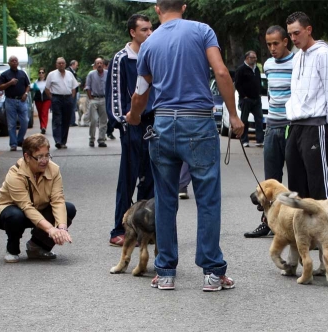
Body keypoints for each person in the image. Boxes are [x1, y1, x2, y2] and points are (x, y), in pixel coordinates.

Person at [126, 0, 244, 292]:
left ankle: (165, 272)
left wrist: (134, 116)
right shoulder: (202, 31)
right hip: (199, 123)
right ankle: (213, 273)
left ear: (157, 9)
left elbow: (142, 91)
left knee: (165, 200)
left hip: (163, 125)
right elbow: (221, 73)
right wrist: (233, 114)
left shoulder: (150, 43)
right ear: (184, 6)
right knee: (208, 199)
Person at [106, 13, 155, 247]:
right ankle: (119, 228)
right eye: (144, 30)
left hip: (153, 124)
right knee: (128, 178)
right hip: (132, 124)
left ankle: (146, 229)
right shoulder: (122, 59)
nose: (149, 33)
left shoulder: (155, 54)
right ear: (132, 32)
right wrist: (123, 121)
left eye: (151, 29)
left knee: (151, 179)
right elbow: (115, 94)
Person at [0, 133, 75, 263]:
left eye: (47, 155)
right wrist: (51, 229)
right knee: (15, 215)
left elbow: (58, 200)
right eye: (39, 156)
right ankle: (12, 248)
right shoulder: (15, 174)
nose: (45, 160)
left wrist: (61, 228)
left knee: (68, 208)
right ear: (27, 157)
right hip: (14, 212)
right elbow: (26, 207)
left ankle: (37, 246)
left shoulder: (54, 169)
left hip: (38, 209)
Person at [284, 11, 328, 200]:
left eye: (297, 33)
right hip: (296, 124)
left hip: (316, 124)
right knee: (296, 183)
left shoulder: (324, 55)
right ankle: (302, 228)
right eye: (290, 34)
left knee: (319, 184)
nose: (293, 38)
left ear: (308, 30)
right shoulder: (297, 56)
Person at [244, 25, 294, 238]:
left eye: (276, 43)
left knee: (296, 177)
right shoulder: (270, 65)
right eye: (268, 44)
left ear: (285, 41)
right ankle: (267, 222)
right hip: (272, 124)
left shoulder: (298, 62)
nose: (272, 48)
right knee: (270, 179)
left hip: (292, 125)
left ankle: (295, 223)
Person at [0, 55, 30, 152]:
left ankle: (20, 140)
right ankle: (13, 144)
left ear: (18, 62)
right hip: (10, 100)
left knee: (25, 121)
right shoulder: (4, 74)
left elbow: (28, 85)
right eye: (12, 61)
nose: (14, 62)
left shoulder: (22, 73)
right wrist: (10, 83)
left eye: (16, 60)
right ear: (9, 63)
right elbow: (0, 87)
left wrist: (26, 93)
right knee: (11, 124)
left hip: (22, 100)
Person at [45, 57, 79, 149]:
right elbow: (47, 89)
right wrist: (52, 99)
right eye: (59, 63)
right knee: (57, 119)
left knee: (66, 120)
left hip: (68, 98)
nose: (61, 65)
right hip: (57, 98)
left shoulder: (69, 74)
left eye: (62, 63)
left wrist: (71, 98)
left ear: (65, 64)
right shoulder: (51, 74)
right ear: (56, 65)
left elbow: (74, 87)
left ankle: (63, 141)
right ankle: (58, 140)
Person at [235, 50, 264, 147]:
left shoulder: (256, 69)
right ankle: (244, 140)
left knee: (259, 119)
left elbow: (259, 81)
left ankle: (260, 140)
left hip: (256, 99)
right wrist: (244, 96)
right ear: (247, 58)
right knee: (244, 120)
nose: (255, 59)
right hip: (246, 99)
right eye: (253, 58)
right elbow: (237, 84)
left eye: (255, 58)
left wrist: (259, 92)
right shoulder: (241, 69)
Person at [85, 57, 109, 148]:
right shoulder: (91, 74)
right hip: (94, 99)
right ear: (95, 65)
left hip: (104, 99)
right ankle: (91, 139)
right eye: (97, 63)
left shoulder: (107, 73)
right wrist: (91, 98)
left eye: (101, 63)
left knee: (103, 121)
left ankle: (101, 140)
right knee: (94, 120)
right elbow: (87, 87)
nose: (99, 65)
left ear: (103, 65)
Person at [31, 67, 51, 135]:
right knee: (40, 113)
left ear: (45, 74)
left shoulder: (48, 81)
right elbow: (33, 91)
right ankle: (42, 126)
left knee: (44, 112)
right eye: (40, 72)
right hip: (38, 99)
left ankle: (43, 127)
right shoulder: (36, 82)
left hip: (46, 99)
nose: (41, 74)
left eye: (42, 72)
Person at [67, 60, 80, 127]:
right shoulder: (69, 71)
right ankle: (71, 121)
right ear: (72, 65)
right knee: (71, 107)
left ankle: (72, 121)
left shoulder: (72, 71)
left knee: (73, 106)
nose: (77, 67)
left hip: (74, 91)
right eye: (76, 65)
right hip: (71, 92)